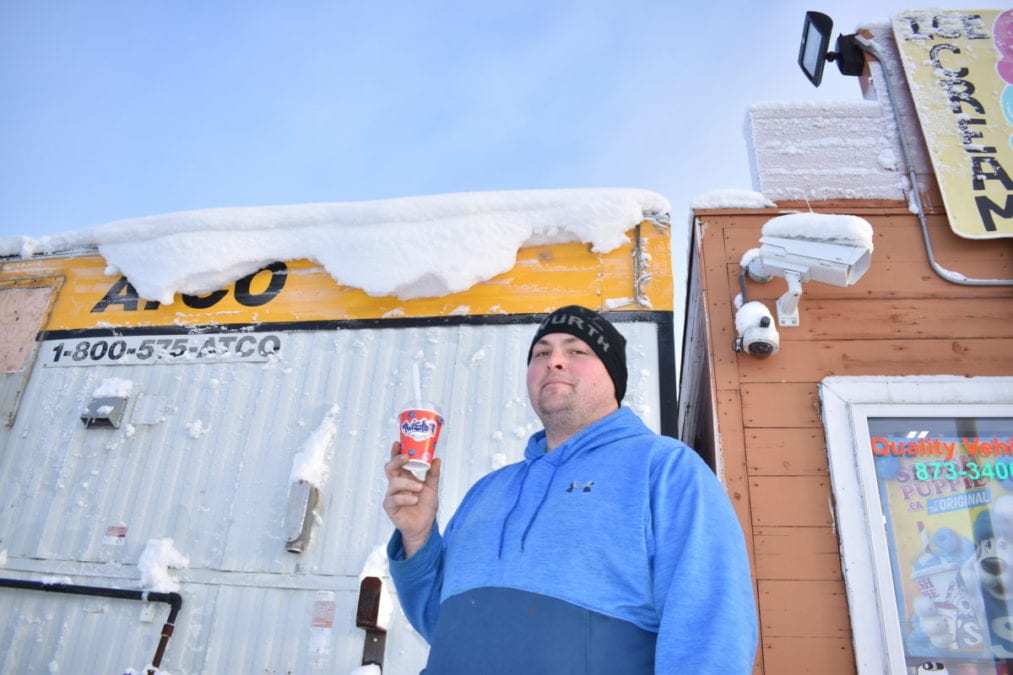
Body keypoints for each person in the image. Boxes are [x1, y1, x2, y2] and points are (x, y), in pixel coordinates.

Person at [383, 305, 757, 673]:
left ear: (614, 376)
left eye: (577, 351)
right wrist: (417, 536)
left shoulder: (664, 468)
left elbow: (711, 621)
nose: (553, 361)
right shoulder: (487, 491)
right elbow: (443, 624)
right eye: (541, 353)